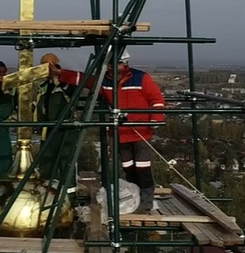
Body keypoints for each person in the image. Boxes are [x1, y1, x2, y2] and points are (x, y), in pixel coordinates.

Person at [54, 50, 165, 213]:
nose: (111, 68)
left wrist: (156, 119)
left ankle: (146, 202)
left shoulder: (140, 78)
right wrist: (61, 73)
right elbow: (84, 80)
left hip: (140, 131)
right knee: (129, 168)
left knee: (142, 169)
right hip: (121, 133)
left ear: (124, 64)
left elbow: (156, 99)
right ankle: (135, 198)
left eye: (116, 64)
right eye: (109, 65)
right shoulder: (104, 81)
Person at [35, 53, 81, 198]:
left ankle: (70, 199)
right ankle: (47, 197)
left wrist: (58, 80)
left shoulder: (67, 84)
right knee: (47, 166)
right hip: (48, 131)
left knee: (65, 164)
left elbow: (74, 94)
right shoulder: (44, 87)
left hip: (65, 131)